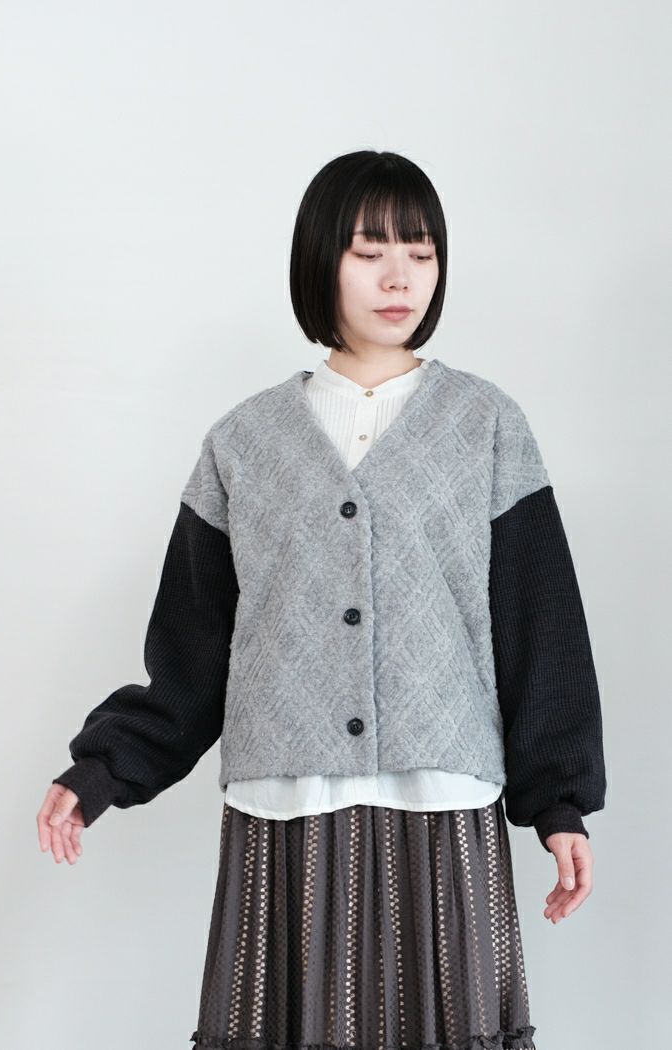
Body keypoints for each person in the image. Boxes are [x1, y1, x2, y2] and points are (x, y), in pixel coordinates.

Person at [37, 150, 606, 1050]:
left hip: (442, 799)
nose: (398, 277)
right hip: (287, 807)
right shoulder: (243, 442)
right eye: (369, 251)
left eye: (420, 253)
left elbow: (541, 627)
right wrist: (103, 770)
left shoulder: (488, 425)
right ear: (319, 261)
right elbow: (192, 651)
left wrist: (560, 803)